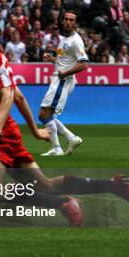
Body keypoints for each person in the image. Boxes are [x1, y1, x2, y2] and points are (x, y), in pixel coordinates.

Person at [0, 5, 129, 227]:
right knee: (46, 187)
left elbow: (8, 94)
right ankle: (113, 186)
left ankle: (63, 204)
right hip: (8, 132)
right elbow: (18, 96)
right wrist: (35, 130)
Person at [39, 11, 87, 156]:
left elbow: (83, 64)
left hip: (63, 80)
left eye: (71, 20)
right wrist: (52, 59)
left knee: (43, 114)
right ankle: (71, 138)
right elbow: (65, 60)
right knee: (49, 115)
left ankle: (57, 148)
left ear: (75, 24)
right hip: (59, 79)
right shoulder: (64, 39)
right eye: (65, 19)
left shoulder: (75, 41)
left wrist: (64, 74)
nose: (67, 22)